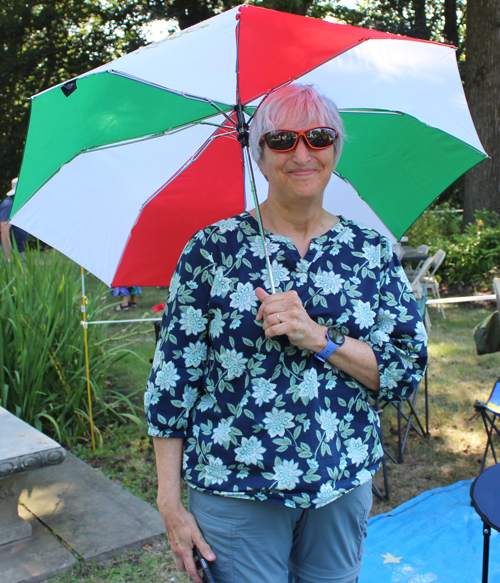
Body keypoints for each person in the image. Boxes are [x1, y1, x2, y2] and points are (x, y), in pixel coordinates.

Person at [145, 84, 428, 583]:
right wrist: (170, 502)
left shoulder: (370, 251)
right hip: (235, 483)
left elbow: (404, 370)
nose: (301, 153)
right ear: (259, 155)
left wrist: (320, 338)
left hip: (341, 479)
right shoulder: (213, 250)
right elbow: (172, 382)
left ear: (335, 149)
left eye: (318, 137)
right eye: (281, 140)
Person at [0, 178, 29, 261]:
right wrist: (8, 256)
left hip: (17, 249)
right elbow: (4, 231)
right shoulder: (9, 205)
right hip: (10, 249)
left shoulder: (14, 205)